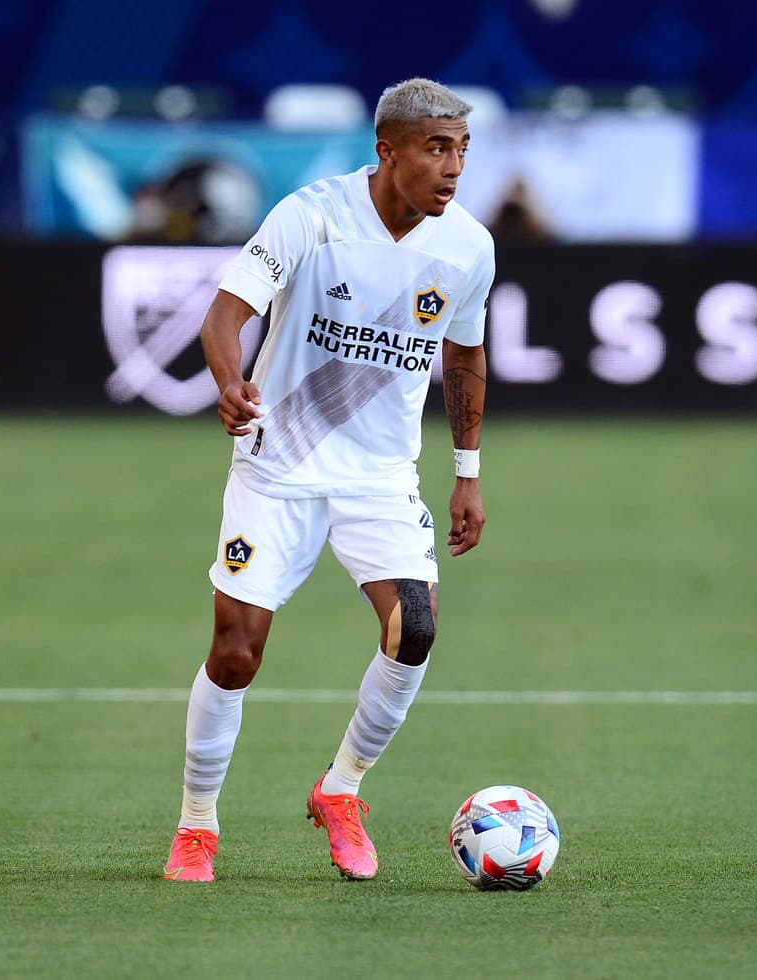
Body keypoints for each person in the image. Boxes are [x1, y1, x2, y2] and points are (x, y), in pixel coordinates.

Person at [163, 78, 495, 883]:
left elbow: (464, 356)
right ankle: (196, 824)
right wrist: (228, 380)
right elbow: (225, 313)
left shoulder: (468, 248)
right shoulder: (310, 215)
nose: (453, 168)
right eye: (436, 148)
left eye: (461, 150)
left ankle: (340, 790)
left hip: (380, 480)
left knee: (414, 627)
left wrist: (467, 474)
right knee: (237, 653)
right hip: (276, 468)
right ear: (388, 151)